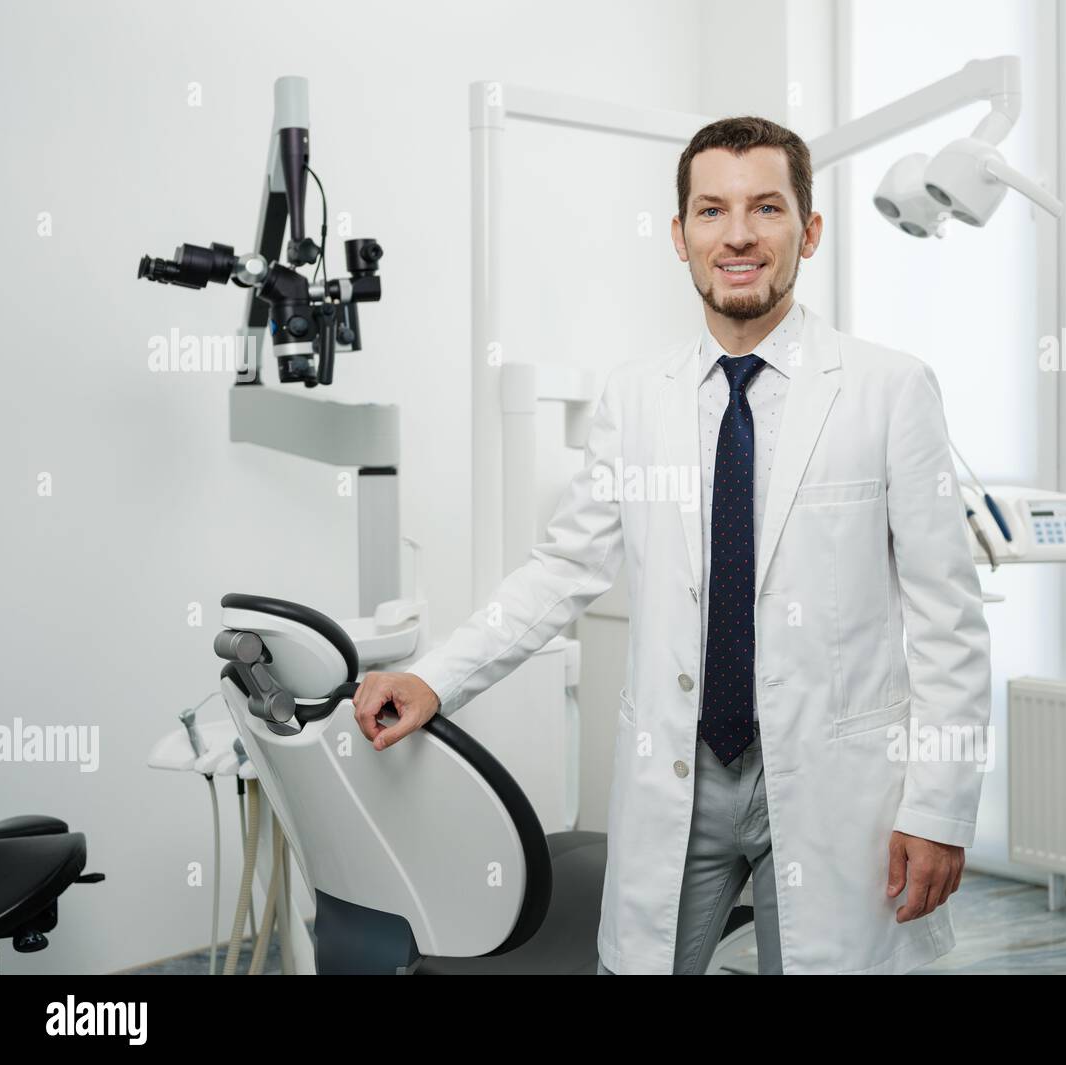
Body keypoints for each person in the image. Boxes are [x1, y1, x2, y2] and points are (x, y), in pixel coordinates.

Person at [353, 116, 991, 975]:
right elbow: (564, 567)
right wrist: (435, 675)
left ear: (809, 230)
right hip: (679, 772)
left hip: (840, 783)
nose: (737, 234)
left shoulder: (890, 390)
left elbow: (948, 619)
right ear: (680, 236)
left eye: (766, 208)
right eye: (711, 211)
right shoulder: (636, 398)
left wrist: (941, 807)